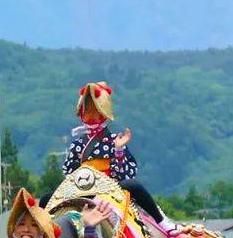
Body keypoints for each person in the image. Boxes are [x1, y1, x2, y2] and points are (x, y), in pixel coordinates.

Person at [60, 82, 169, 228]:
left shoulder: (114, 140)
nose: (92, 116)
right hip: (84, 191)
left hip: (110, 189)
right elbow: (70, 174)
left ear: (104, 114)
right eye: (88, 112)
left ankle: (163, 223)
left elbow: (123, 176)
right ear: (81, 115)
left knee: (133, 185)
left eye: (96, 112)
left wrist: (118, 150)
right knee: (46, 199)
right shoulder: (77, 145)